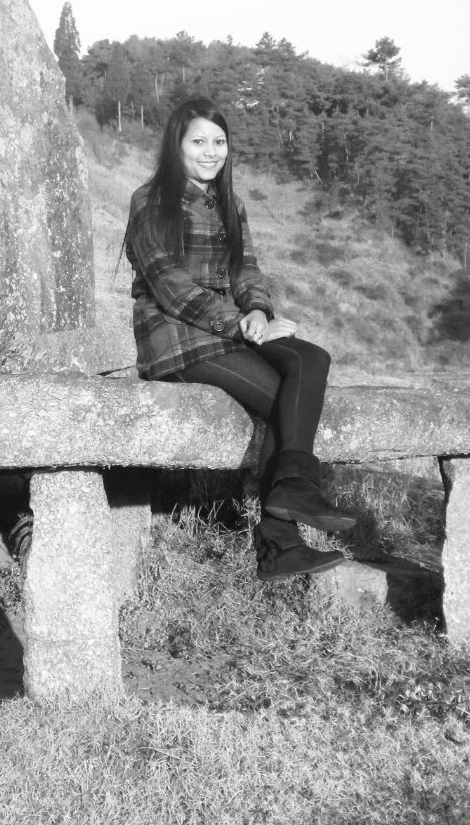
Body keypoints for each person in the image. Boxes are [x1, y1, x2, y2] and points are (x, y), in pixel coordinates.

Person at [124, 96, 357, 581]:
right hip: (176, 338)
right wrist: (241, 325)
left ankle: (292, 488)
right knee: (282, 402)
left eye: (219, 142)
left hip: (229, 326)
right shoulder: (150, 202)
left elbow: (246, 269)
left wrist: (256, 309)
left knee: (311, 359)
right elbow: (172, 288)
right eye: (199, 142)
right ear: (176, 145)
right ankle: (279, 542)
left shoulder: (231, 203)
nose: (211, 152)